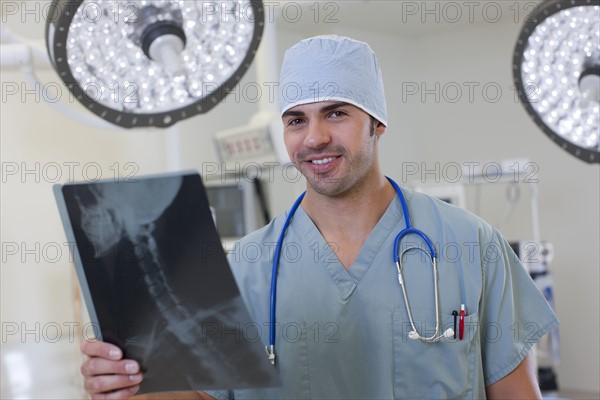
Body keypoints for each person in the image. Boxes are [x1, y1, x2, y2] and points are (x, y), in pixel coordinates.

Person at [80, 35, 559, 399]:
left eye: (335, 113)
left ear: (377, 122)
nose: (313, 138)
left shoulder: (472, 246)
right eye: (296, 120)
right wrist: (124, 385)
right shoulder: (244, 267)